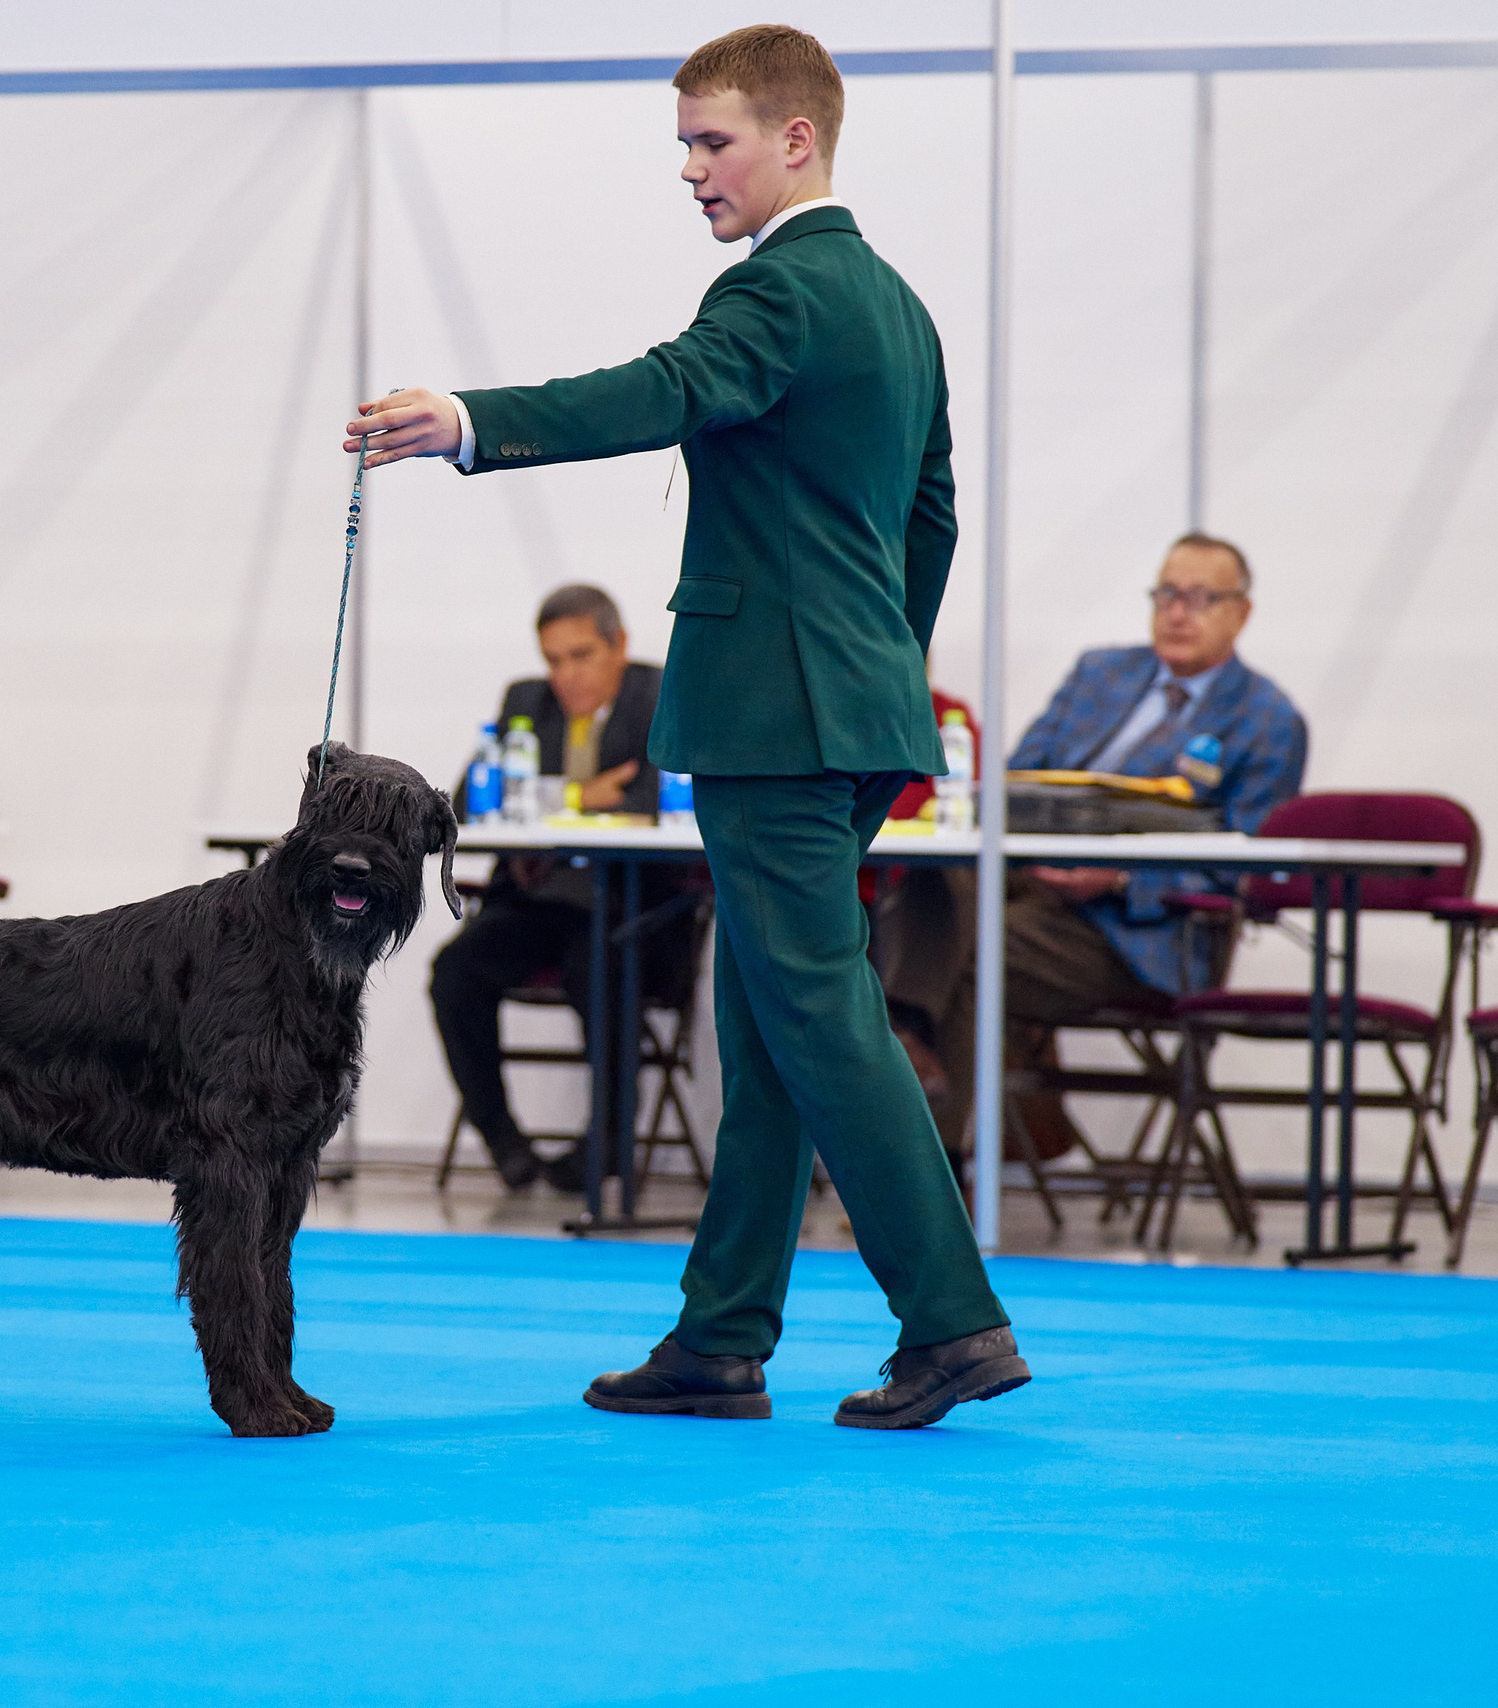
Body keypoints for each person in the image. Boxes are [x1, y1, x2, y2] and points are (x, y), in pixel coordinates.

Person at [344, 25, 1024, 1429]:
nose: (691, 170)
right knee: (769, 1023)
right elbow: (933, 515)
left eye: (712, 142)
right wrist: (878, 662)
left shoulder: (782, 291)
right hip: (847, 703)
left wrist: (467, 418)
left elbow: (663, 390)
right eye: (683, 145)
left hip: (778, 714)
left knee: (822, 1019)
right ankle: (721, 1341)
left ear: (798, 139)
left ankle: (952, 1323)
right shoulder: (895, 305)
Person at [876, 532, 1308, 1146]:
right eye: (1166, 593)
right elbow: (1015, 780)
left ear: (1242, 613)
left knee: (972, 956)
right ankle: (907, 1030)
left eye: (1201, 597)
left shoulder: (1268, 721)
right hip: (1029, 878)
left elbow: (1244, 871)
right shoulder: (1101, 673)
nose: (1178, 612)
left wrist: (1120, 878)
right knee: (934, 876)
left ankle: (925, 1171)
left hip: (1133, 928)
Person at [431, 583, 672, 1193]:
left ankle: (609, 1144)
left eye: (581, 655)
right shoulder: (525, 700)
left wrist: (540, 806)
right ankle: (505, 1141)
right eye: (553, 659)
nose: (565, 674)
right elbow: (468, 803)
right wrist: (578, 798)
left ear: (619, 645)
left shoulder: (658, 694)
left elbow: (655, 801)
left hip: (622, 904)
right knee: (454, 972)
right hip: (535, 902)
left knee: (601, 966)